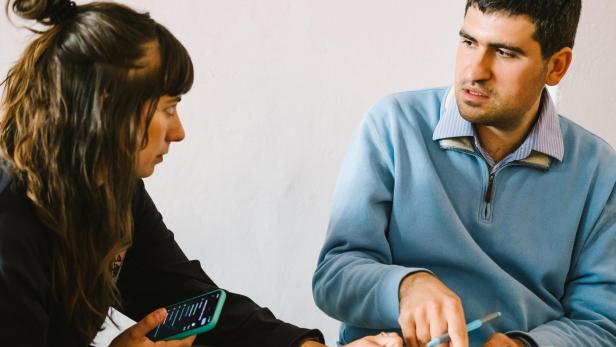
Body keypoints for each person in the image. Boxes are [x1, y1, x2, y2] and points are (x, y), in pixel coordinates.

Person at [0, 1, 406, 346]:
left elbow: (189, 299)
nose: (179, 132)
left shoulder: (115, 193)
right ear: (108, 107)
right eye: (168, 108)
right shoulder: (10, 217)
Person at [312, 1, 616, 347]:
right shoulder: (393, 125)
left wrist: (525, 346)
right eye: (469, 42)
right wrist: (404, 287)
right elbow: (332, 278)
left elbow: (602, 323)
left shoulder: (598, 171)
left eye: (504, 53)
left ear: (556, 66)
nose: (475, 71)